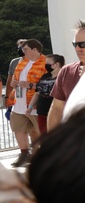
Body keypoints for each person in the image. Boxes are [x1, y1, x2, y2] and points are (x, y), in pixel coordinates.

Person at [46, 20, 85, 132]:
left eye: (83, 44)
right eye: (75, 44)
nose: (78, 49)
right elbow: (57, 109)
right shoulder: (66, 71)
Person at [6, 39, 47, 167]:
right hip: (18, 103)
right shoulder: (21, 62)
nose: (22, 52)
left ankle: (45, 156)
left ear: (35, 50)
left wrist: (31, 85)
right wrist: (14, 83)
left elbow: (50, 84)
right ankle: (24, 154)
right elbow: (14, 78)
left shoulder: (47, 63)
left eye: (25, 49)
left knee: (41, 132)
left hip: (35, 105)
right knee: (18, 129)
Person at [25, 53, 64, 135]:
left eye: (47, 63)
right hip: (42, 112)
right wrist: (30, 107)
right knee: (44, 138)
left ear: (56, 64)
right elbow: (37, 93)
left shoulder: (64, 76)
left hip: (57, 113)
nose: (45, 65)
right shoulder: (44, 76)